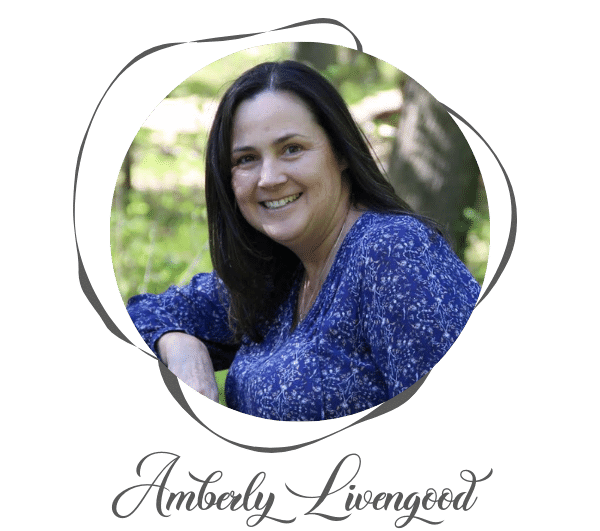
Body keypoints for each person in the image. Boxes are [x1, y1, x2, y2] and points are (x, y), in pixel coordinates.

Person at [126, 60, 481, 421]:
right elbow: (145, 314)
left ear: (340, 152)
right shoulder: (279, 272)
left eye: (292, 149)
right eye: (247, 159)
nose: (269, 178)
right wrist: (179, 344)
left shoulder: (393, 252)